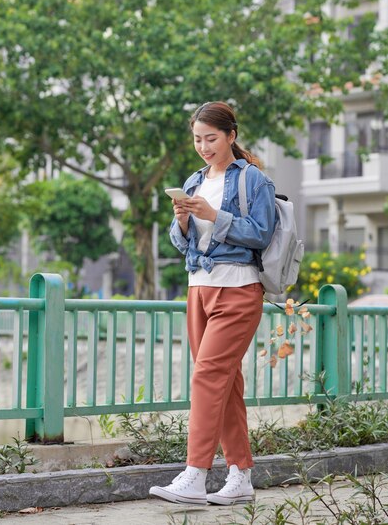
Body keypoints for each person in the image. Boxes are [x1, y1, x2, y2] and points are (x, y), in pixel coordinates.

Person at [149, 101, 276, 506]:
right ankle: (240, 475)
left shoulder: (253, 180)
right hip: (198, 288)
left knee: (207, 377)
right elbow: (179, 239)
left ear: (231, 136)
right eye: (197, 139)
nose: (203, 147)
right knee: (225, 384)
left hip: (238, 290)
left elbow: (261, 233)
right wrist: (184, 220)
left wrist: (213, 214)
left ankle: (195, 473)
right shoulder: (193, 180)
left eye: (211, 138)